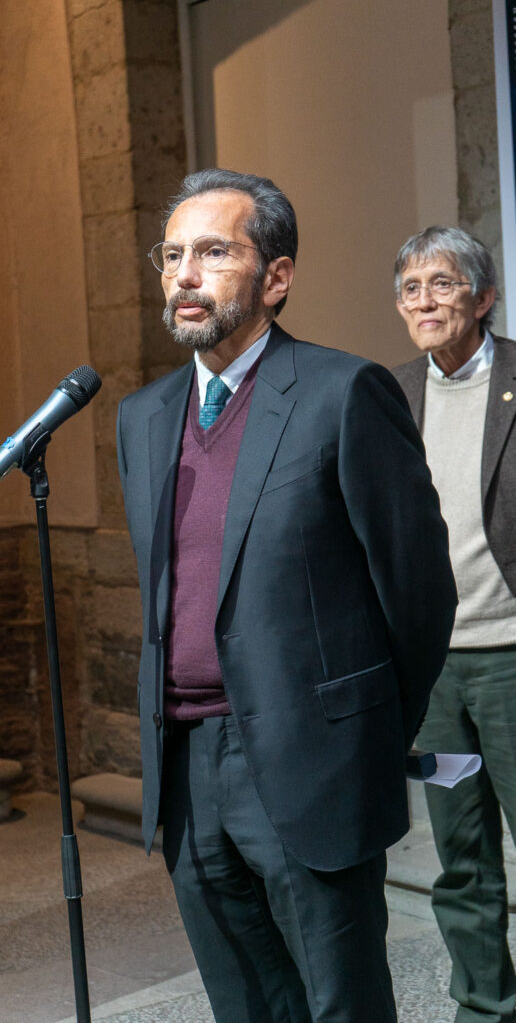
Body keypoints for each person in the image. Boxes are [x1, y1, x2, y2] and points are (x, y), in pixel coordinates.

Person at [116, 168, 456, 1023]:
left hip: (310, 760)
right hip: (186, 766)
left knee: (340, 1004)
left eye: (215, 252)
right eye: (173, 255)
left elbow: (417, 593)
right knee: (246, 1003)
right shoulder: (143, 417)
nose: (185, 274)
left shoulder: (343, 394)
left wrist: (363, 732)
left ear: (277, 276)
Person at [393, 225, 516, 1023]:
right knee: (461, 857)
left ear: (483, 297)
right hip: (434, 671)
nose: (425, 301)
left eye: (442, 284)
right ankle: (485, 1007)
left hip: (511, 660)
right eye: (410, 289)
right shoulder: (390, 393)